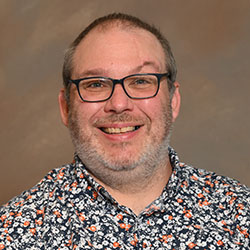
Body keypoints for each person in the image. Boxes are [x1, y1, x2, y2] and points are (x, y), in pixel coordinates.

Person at [0, 13, 249, 249]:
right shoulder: (11, 232)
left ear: (173, 101)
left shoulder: (240, 215)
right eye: (95, 84)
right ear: (66, 107)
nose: (119, 104)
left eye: (141, 81)